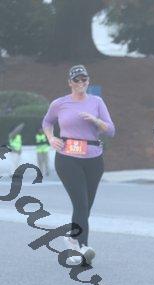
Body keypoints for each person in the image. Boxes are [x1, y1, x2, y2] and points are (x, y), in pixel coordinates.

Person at [42, 64, 115, 266]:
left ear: (88, 81)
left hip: (94, 158)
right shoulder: (59, 103)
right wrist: (51, 138)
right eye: (77, 80)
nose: (81, 83)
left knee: (86, 206)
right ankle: (83, 247)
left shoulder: (97, 102)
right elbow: (47, 122)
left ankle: (73, 239)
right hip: (68, 158)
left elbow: (111, 131)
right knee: (80, 204)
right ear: (70, 83)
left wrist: (95, 121)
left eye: (84, 79)